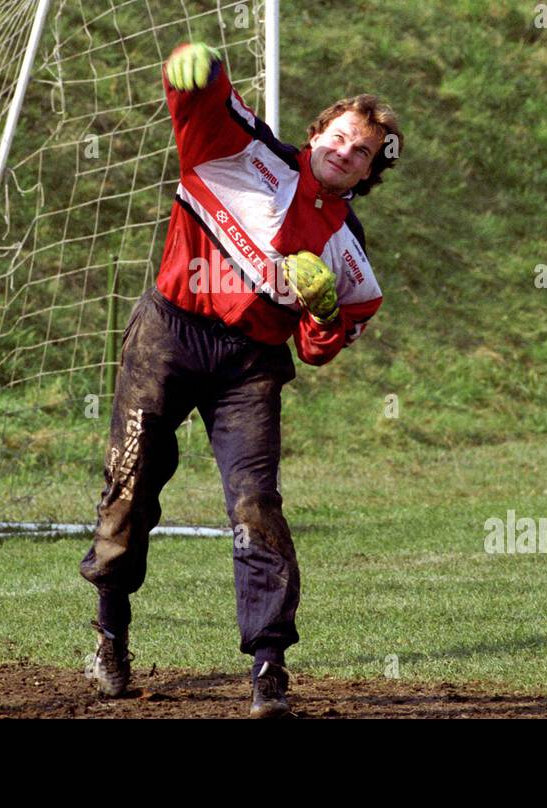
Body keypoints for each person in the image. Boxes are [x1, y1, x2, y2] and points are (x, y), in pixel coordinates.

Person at [78, 41, 402, 718]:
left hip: (249, 366)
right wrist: (193, 60)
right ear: (316, 133)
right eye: (339, 136)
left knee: (255, 506)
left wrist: (322, 308)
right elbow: (197, 93)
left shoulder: (351, 256)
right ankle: (110, 636)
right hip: (169, 333)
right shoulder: (241, 146)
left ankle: (269, 668)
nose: (346, 151)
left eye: (363, 151)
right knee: (129, 488)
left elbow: (319, 349)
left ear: (372, 170)